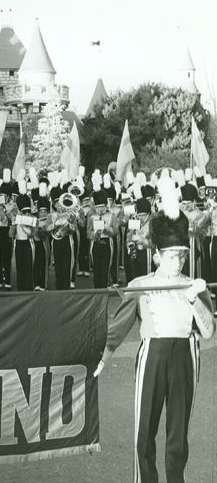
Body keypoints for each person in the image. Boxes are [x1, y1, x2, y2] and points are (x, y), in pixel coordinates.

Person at [95, 174, 214, 483]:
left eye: (183, 255)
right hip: (152, 354)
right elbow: (118, 326)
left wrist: (194, 299)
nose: (179, 260)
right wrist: (103, 357)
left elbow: (209, 331)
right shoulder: (140, 285)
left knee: (178, 434)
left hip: (185, 355)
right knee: (144, 430)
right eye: (173, 255)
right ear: (158, 254)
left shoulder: (194, 284)